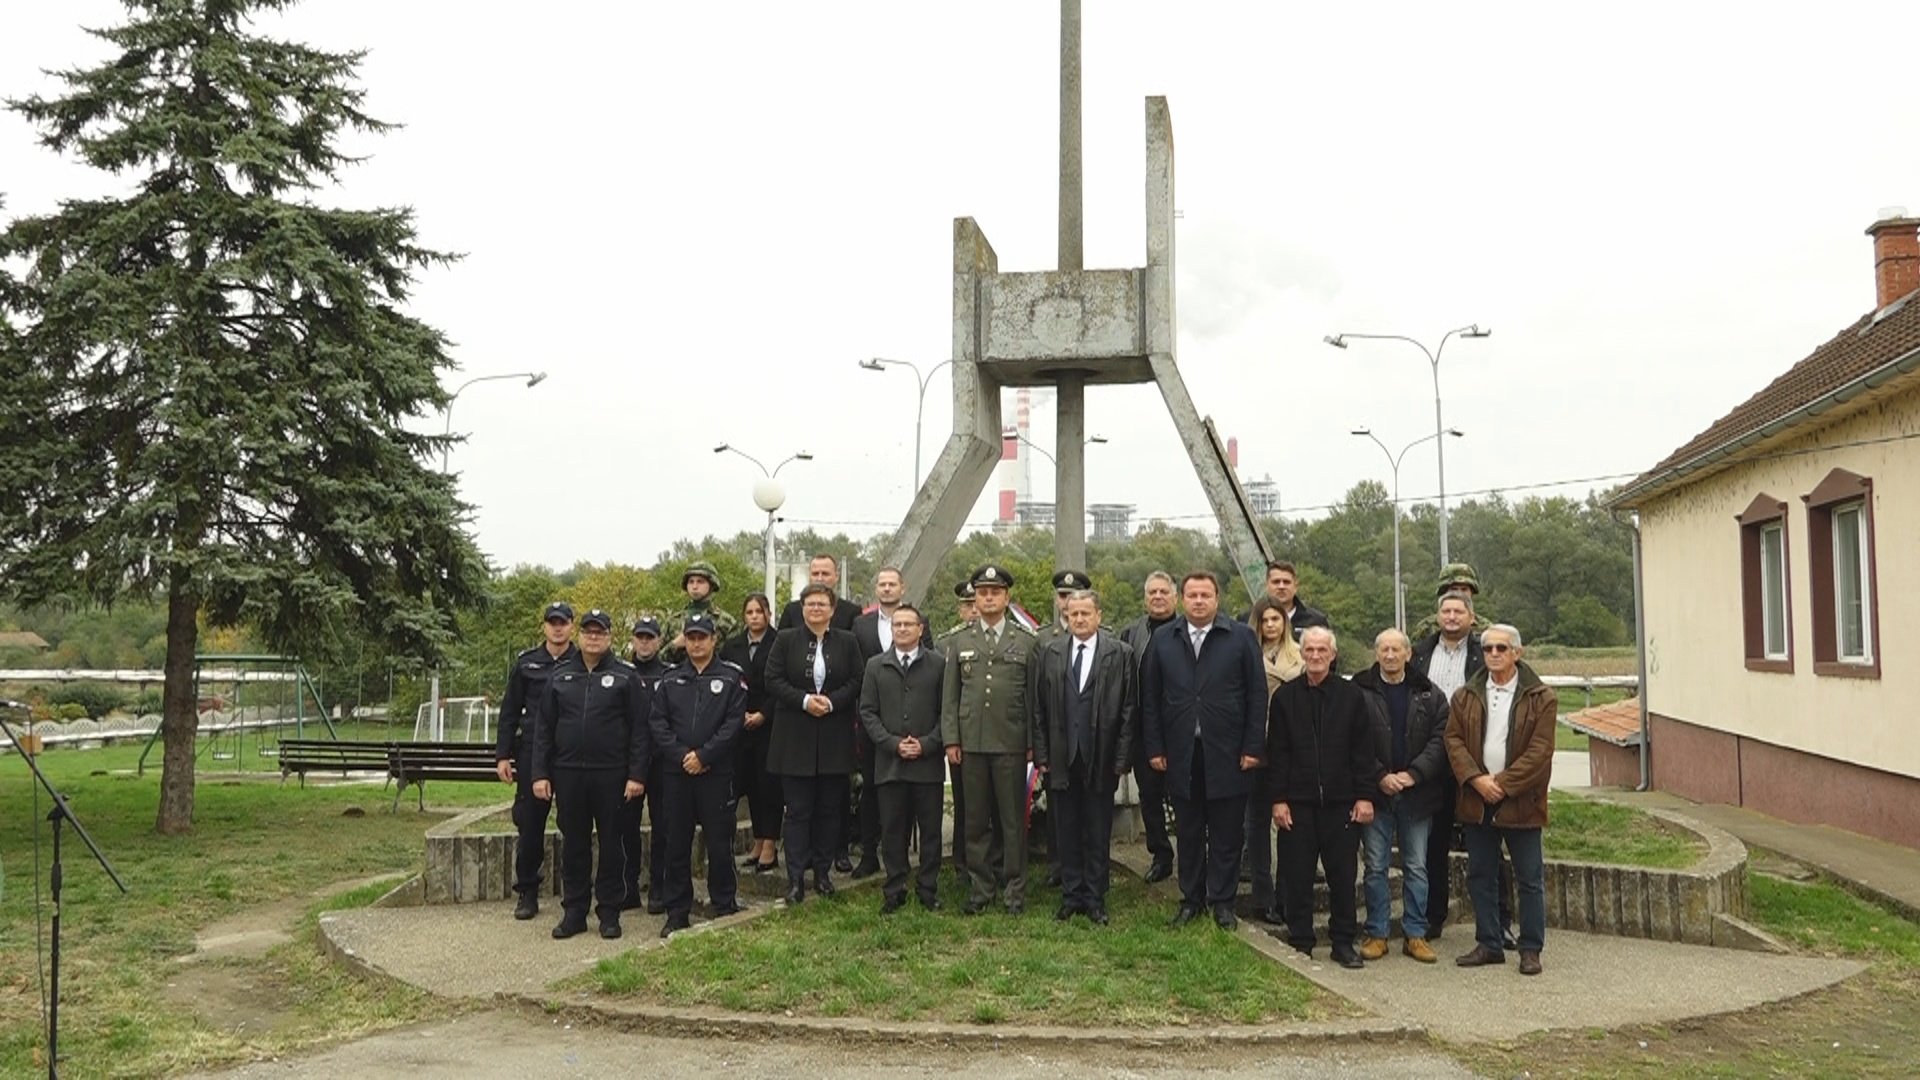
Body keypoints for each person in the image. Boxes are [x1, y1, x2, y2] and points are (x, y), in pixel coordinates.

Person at [1141, 571, 1266, 930]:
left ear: (1217, 598)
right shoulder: (1164, 639)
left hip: (1229, 751)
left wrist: (1252, 746)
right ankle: (1190, 899)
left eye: (1205, 595)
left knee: (1227, 831)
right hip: (1182, 753)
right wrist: (1155, 747)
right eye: (1192, 595)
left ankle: (1223, 902)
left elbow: (1257, 696)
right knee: (1190, 830)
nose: (1198, 601)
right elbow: (1150, 698)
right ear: (1182, 599)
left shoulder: (1240, 637)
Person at [530, 609, 650, 940]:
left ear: (610, 637)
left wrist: (637, 775)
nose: (593, 637)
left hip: (612, 775)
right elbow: (543, 729)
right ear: (579, 636)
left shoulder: (626, 677)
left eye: (600, 632)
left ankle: (609, 913)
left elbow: (641, 730)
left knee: (612, 845)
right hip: (568, 774)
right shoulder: (560, 676)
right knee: (575, 845)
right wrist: (540, 774)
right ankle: (574, 912)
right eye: (588, 631)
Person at [1265, 627, 1382, 967]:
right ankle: (1300, 939)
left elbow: (1363, 751)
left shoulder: (1351, 696)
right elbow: (1278, 753)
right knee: (1297, 876)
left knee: (1342, 878)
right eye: (1310, 650)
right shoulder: (1285, 698)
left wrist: (1365, 796)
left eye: (1322, 651)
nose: (1315, 656)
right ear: (1302, 653)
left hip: (1341, 804)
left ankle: (1343, 941)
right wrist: (1278, 799)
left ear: (1332, 655)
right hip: (1297, 804)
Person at [1446, 623, 1556, 976]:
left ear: (1517, 653)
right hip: (1478, 799)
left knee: (1529, 878)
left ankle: (1530, 949)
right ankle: (1489, 943)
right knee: (1480, 873)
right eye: (1488, 648)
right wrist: (1477, 780)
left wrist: (1504, 784)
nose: (1493, 654)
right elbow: (1453, 741)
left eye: (1501, 649)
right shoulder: (1465, 695)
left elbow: (1540, 753)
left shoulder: (1542, 698)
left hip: (1521, 801)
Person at [1029, 589, 1135, 925]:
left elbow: (1129, 711)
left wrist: (1121, 759)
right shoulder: (1050, 652)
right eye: (1073, 614)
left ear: (1099, 616)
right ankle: (1071, 894)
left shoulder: (1119, 654)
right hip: (1061, 757)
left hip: (1100, 757)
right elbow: (1038, 709)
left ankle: (1095, 897)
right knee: (1066, 828)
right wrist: (1042, 754)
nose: (1079, 619)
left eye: (1085, 613)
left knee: (1097, 828)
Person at [940, 564, 1037, 916]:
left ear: (1007, 597)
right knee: (976, 822)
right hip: (971, 745)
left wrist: (1030, 742)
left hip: (1010, 744)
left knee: (1012, 823)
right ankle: (980, 889)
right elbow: (949, 698)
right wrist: (951, 740)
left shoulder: (1026, 641)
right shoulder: (960, 641)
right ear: (975, 598)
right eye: (982, 592)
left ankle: (1014, 891)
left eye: (995, 592)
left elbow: (1032, 698)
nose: (989, 597)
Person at [763, 583, 864, 904]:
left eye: (822, 604)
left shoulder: (847, 641)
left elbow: (857, 680)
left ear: (832, 609)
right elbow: (772, 679)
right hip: (795, 738)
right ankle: (795, 879)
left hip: (834, 737)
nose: (816, 609)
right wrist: (805, 700)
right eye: (810, 604)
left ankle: (822, 873)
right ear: (802, 609)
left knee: (829, 810)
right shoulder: (785, 639)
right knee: (797, 810)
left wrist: (832, 702)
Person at [1353, 628, 1449, 964]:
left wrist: (1413, 775)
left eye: (1397, 649)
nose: (1390, 655)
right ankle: (1377, 933)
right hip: (1376, 793)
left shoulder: (1430, 694)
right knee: (1376, 867)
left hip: (1417, 794)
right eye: (1384, 649)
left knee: (1416, 866)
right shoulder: (1359, 690)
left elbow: (1441, 741)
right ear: (1376, 653)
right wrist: (1380, 776)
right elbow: (1352, 741)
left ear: (1409, 654)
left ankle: (1415, 934)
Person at [648, 614, 748, 937]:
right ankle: (677, 911)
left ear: (714, 639)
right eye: (690, 637)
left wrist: (704, 756)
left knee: (720, 842)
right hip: (676, 775)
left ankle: (724, 904)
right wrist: (682, 756)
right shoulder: (670, 678)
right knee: (676, 844)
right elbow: (657, 723)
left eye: (702, 637)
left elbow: (733, 725)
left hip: (716, 774)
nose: (696, 643)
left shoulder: (732, 677)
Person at [858, 603, 948, 914]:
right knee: (893, 831)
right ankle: (894, 889)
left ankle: (927, 889)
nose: (903, 629)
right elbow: (867, 712)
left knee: (931, 832)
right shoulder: (875, 665)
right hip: (890, 764)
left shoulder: (938, 664)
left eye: (909, 624)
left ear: (921, 629)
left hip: (927, 764)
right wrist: (892, 743)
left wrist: (926, 744)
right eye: (897, 625)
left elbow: (946, 713)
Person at [494, 601, 579, 920]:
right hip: (532, 751)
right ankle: (527, 892)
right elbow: (509, 711)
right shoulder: (527, 663)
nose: (558, 628)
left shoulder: (582, 661)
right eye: (552, 622)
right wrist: (503, 754)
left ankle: (574, 892)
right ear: (544, 626)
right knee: (530, 825)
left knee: (574, 823)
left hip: (571, 752)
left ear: (572, 626)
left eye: (564, 622)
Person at [1410, 589, 1487, 940]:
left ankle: (1497, 922)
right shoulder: (1421, 652)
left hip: (1475, 756)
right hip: (1433, 755)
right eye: (1446, 611)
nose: (1452, 617)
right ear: (1438, 616)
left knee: (1485, 840)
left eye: (1459, 612)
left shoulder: (1485, 652)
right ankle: (1433, 917)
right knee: (1434, 843)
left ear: (1471, 618)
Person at [1244, 596, 1303, 925]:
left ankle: (1287, 896)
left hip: (1292, 749)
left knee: (1289, 824)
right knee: (1256, 826)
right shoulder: (1247, 654)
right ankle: (1262, 897)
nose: (1270, 626)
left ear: (1284, 623)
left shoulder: (1299, 656)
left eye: (1276, 620)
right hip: (1258, 747)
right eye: (1264, 620)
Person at [1117, 571, 1179, 884]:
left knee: (1186, 798)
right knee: (1150, 797)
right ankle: (1161, 855)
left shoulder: (1188, 631)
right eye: (1152, 592)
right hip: (1144, 731)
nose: (1157, 597)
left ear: (1174, 597)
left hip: (1182, 731)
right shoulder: (1131, 633)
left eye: (1163, 592)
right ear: (1145, 597)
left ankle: (1198, 855)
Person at [847, 566, 909, 879]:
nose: (886, 589)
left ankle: (900, 855)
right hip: (870, 721)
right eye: (882, 584)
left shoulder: (917, 620)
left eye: (891, 584)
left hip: (908, 720)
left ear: (902, 588)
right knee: (870, 788)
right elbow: (855, 671)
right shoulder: (861, 625)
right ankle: (869, 854)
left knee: (904, 787)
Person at [720, 593, 781, 875]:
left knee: (768, 786)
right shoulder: (732, 646)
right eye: (749, 612)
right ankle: (757, 842)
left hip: (770, 724)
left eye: (759, 611)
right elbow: (726, 682)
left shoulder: (780, 642)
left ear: (768, 614)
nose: (754, 616)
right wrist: (739, 715)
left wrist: (763, 714)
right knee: (750, 787)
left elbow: (782, 683)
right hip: (739, 725)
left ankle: (770, 843)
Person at [623, 617, 671, 914]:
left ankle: (659, 887)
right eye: (640, 637)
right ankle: (628, 888)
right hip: (628, 763)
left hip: (662, 761)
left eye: (650, 637)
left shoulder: (669, 674)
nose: (644, 642)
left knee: (663, 827)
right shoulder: (621, 674)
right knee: (626, 826)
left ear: (658, 640)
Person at [936, 578, 978, 878]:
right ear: (960, 610)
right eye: (967, 605)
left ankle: (996, 860)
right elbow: (945, 696)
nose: (974, 610)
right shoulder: (946, 644)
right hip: (963, 736)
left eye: (977, 603)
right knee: (965, 804)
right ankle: (962, 861)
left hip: (997, 736)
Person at [662, 561, 739, 664]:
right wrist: (674, 645)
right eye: (691, 582)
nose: (695, 586)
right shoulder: (672, 621)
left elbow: (735, 660)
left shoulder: (726, 622)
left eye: (700, 581)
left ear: (711, 585)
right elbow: (655, 661)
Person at [1409, 563, 1495, 641]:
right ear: (1443, 592)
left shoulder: (1486, 629)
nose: (1459, 594)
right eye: (1454, 589)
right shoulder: (1426, 628)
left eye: (1464, 589)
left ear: (1472, 593)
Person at [778, 553, 863, 631]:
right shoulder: (792, 611)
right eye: (815, 574)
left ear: (836, 576)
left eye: (825, 574)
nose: (819, 579)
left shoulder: (852, 613)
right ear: (809, 576)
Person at [1261, 561, 1330, 641]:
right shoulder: (1251, 620)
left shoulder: (1316, 621)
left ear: (1295, 586)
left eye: (1286, 582)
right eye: (1276, 582)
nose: (1281, 586)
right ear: (1266, 585)